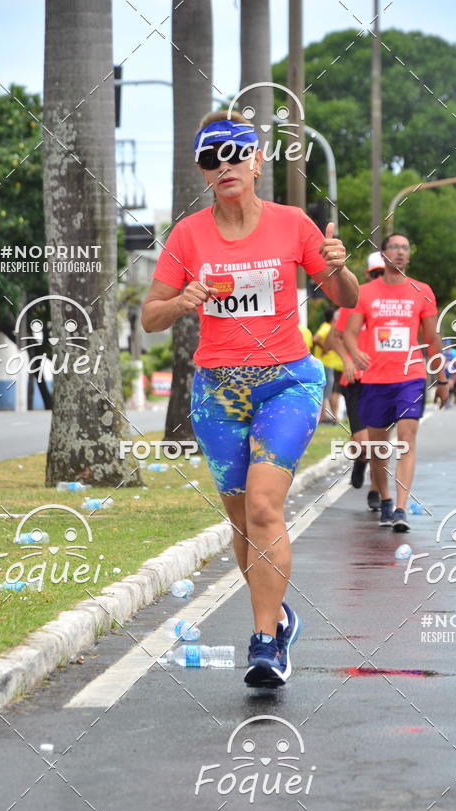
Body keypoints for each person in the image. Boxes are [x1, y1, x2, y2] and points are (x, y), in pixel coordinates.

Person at [142, 111, 359, 689]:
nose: (225, 166)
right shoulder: (188, 236)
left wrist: (340, 269)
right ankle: (280, 618)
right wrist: (182, 300)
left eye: (236, 153)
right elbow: (150, 317)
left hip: (286, 382)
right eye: (211, 158)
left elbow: (344, 297)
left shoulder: (293, 224)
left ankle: (264, 643)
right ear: (203, 171)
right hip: (217, 392)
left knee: (264, 507)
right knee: (242, 522)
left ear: (258, 160)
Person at [344, 234, 448, 532]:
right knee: (379, 449)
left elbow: (432, 339)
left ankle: (401, 507)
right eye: (394, 247)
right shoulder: (365, 293)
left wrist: (441, 378)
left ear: (409, 256)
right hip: (375, 379)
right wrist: (355, 353)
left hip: (411, 376)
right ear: (384, 254)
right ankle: (386, 499)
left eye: (405, 247)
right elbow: (350, 333)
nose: (400, 252)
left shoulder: (422, 291)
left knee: (406, 438)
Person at [325, 250, 383, 507]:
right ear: (368, 275)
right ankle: (360, 460)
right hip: (357, 381)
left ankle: (376, 489)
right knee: (363, 441)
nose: (381, 278)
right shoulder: (355, 303)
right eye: (376, 274)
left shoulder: (397, 304)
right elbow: (331, 340)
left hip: (385, 380)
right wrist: (348, 360)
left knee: (380, 440)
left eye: (385, 273)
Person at [313, 309, 344, 423]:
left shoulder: (329, 327)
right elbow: (315, 338)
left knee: (330, 391)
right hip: (327, 364)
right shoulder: (326, 327)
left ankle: (328, 416)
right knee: (327, 391)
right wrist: (324, 347)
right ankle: (324, 417)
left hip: (331, 364)